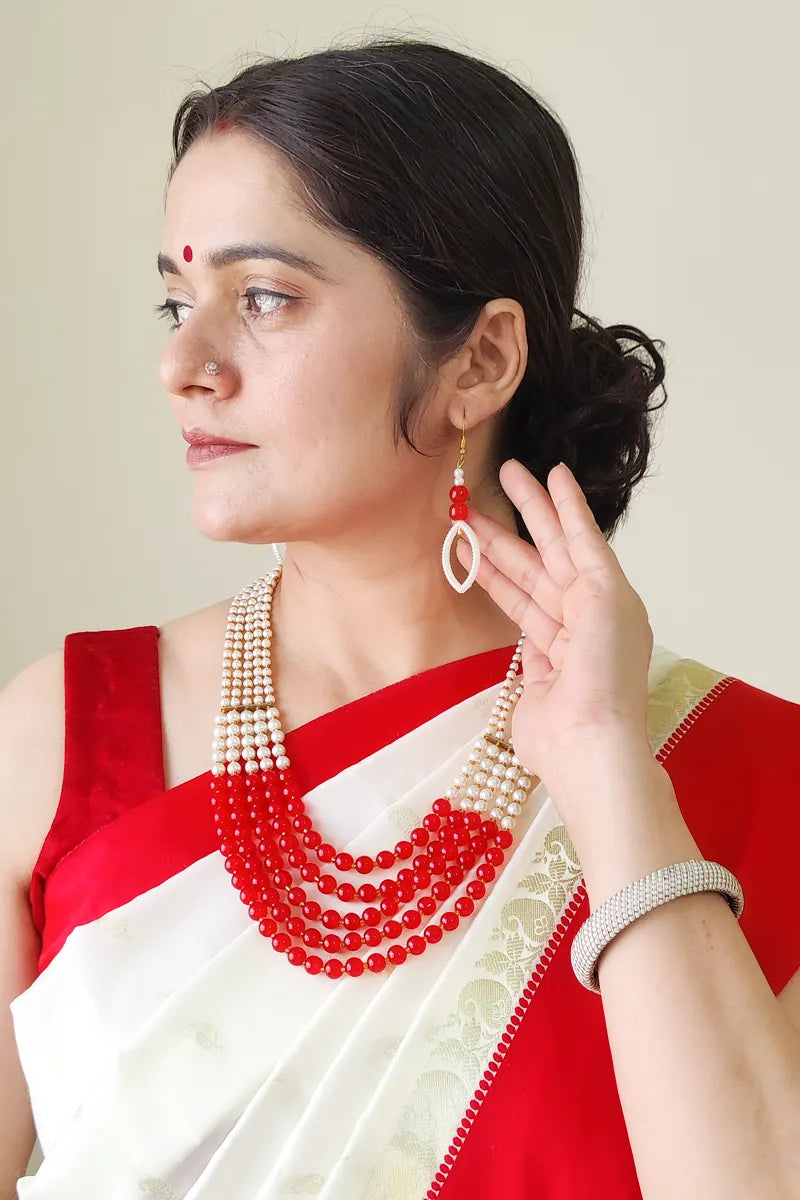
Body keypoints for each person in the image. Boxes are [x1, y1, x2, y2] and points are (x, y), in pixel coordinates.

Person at [2, 36, 799, 1200]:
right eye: (175, 300)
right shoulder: (60, 735)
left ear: (478, 358)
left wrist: (605, 768)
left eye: (264, 297)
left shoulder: (749, 776)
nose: (183, 361)